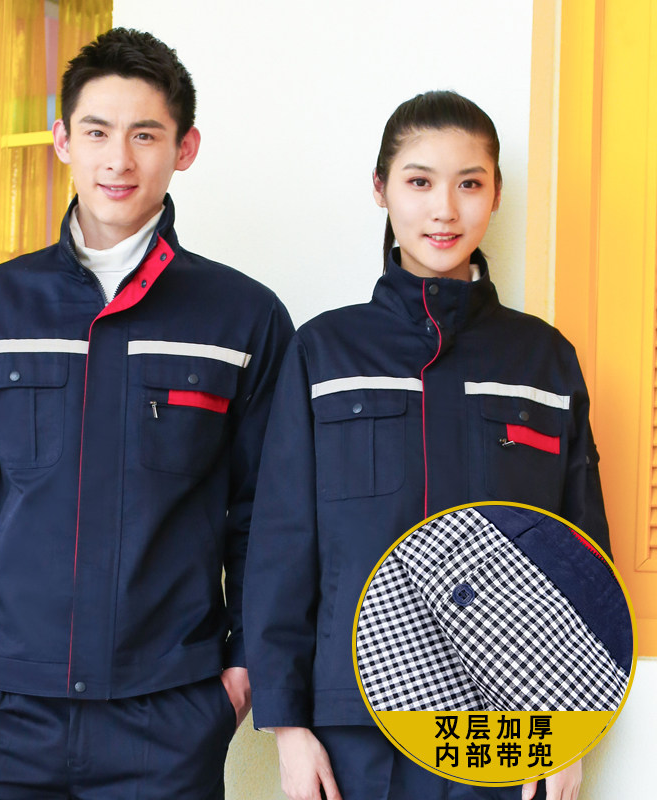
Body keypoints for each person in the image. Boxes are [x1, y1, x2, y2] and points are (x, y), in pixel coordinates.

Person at [0, 27, 293, 800]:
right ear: (62, 141)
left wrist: (243, 673)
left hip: (168, 717)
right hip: (8, 714)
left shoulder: (242, 319)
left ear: (185, 148)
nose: (119, 160)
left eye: (145, 134)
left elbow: (268, 519)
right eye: (98, 132)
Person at [243, 91, 609, 800]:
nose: (444, 209)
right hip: (357, 727)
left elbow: (581, 551)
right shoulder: (325, 351)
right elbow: (283, 544)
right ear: (380, 189)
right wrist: (288, 728)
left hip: (507, 721)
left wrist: (575, 725)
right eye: (419, 181)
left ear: (496, 195)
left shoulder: (544, 360)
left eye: (469, 183)